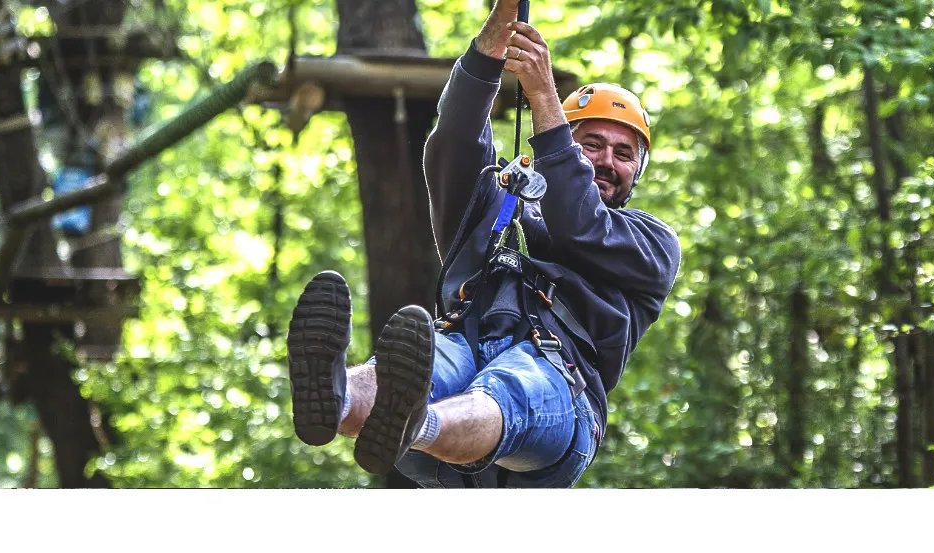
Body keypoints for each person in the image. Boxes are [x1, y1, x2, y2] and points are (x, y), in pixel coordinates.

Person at [285, 0, 680, 487]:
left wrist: (543, 94)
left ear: (636, 173)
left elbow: (580, 223)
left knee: (512, 383)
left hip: (560, 397)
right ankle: (338, 398)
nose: (605, 161)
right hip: (463, 347)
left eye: (624, 153)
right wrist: (493, 42)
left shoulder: (649, 243)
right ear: (566, 147)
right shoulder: (501, 203)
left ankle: (414, 425)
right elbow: (454, 139)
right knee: (414, 368)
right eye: (591, 145)